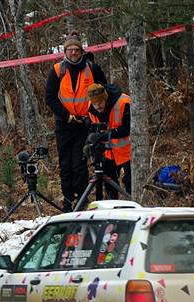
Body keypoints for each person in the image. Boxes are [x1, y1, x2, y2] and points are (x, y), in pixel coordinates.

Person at [45, 32, 107, 211]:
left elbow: (103, 91)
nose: (73, 53)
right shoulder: (57, 70)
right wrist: (66, 115)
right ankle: (67, 201)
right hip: (64, 124)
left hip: (84, 124)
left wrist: (93, 113)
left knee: (80, 164)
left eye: (76, 49)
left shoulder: (91, 68)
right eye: (70, 49)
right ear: (65, 51)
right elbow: (50, 97)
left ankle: (82, 200)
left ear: (82, 51)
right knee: (65, 166)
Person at [86, 83, 131, 199]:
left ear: (105, 98)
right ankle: (112, 207)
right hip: (107, 153)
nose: (98, 106)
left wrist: (108, 135)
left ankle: (134, 205)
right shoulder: (90, 109)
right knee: (110, 185)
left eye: (100, 102)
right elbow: (93, 127)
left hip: (127, 151)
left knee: (130, 182)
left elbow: (128, 128)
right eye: (94, 103)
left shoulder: (123, 102)